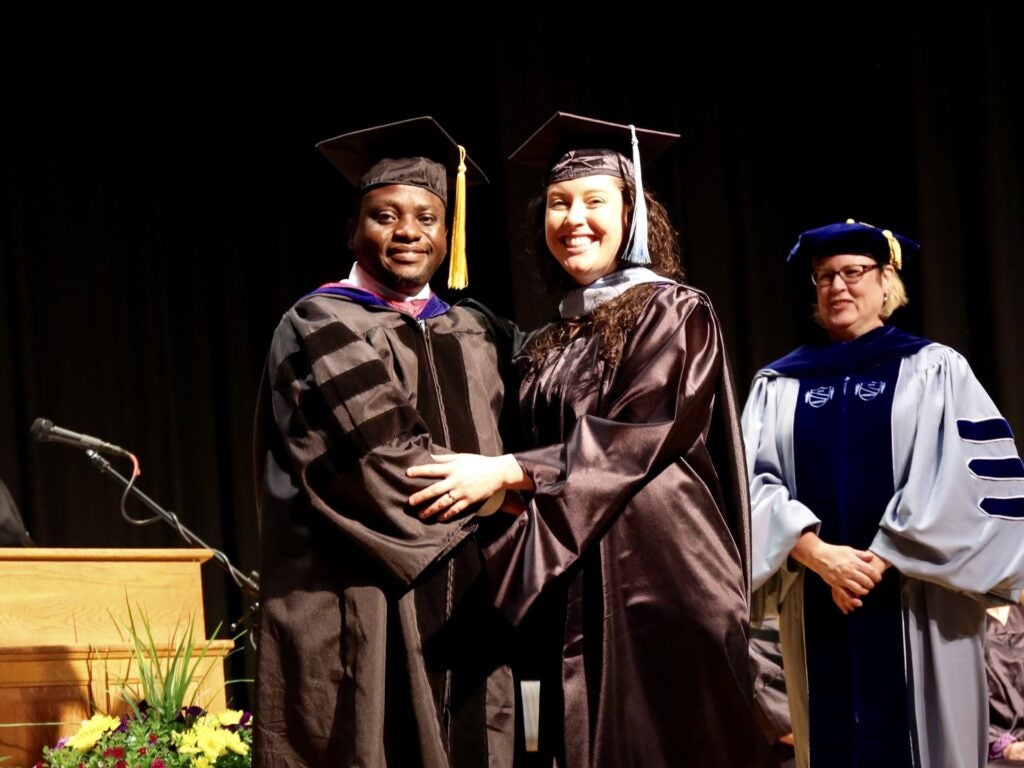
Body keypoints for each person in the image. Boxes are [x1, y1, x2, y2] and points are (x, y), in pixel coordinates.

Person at [407, 112, 776, 767]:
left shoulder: (674, 309)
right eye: (557, 203)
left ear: (633, 214)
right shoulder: (549, 340)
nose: (572, 217)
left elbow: (636, 431)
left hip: (662, 580)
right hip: (570, 580)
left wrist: (507, 473)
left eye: (594, 201)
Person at [253, 116, 521, 768]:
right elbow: (379, 462)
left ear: (448, 234)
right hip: (360, 609)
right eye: (385, 215)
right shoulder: (320, 321)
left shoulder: (475, 332)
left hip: (469, 617)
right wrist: (507, 495)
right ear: (352, 228)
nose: (408, 232)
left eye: (427, 218)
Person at [742, 219, 1024, 768]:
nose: (837, 287)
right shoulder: (779, 384)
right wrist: (818, 555)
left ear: (886, 280)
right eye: (824, 276)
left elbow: (969, 482)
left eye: (853, 272)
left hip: (919, 601)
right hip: (817, 594)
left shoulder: (936, 369)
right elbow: (749, 483)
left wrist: (880, 558)